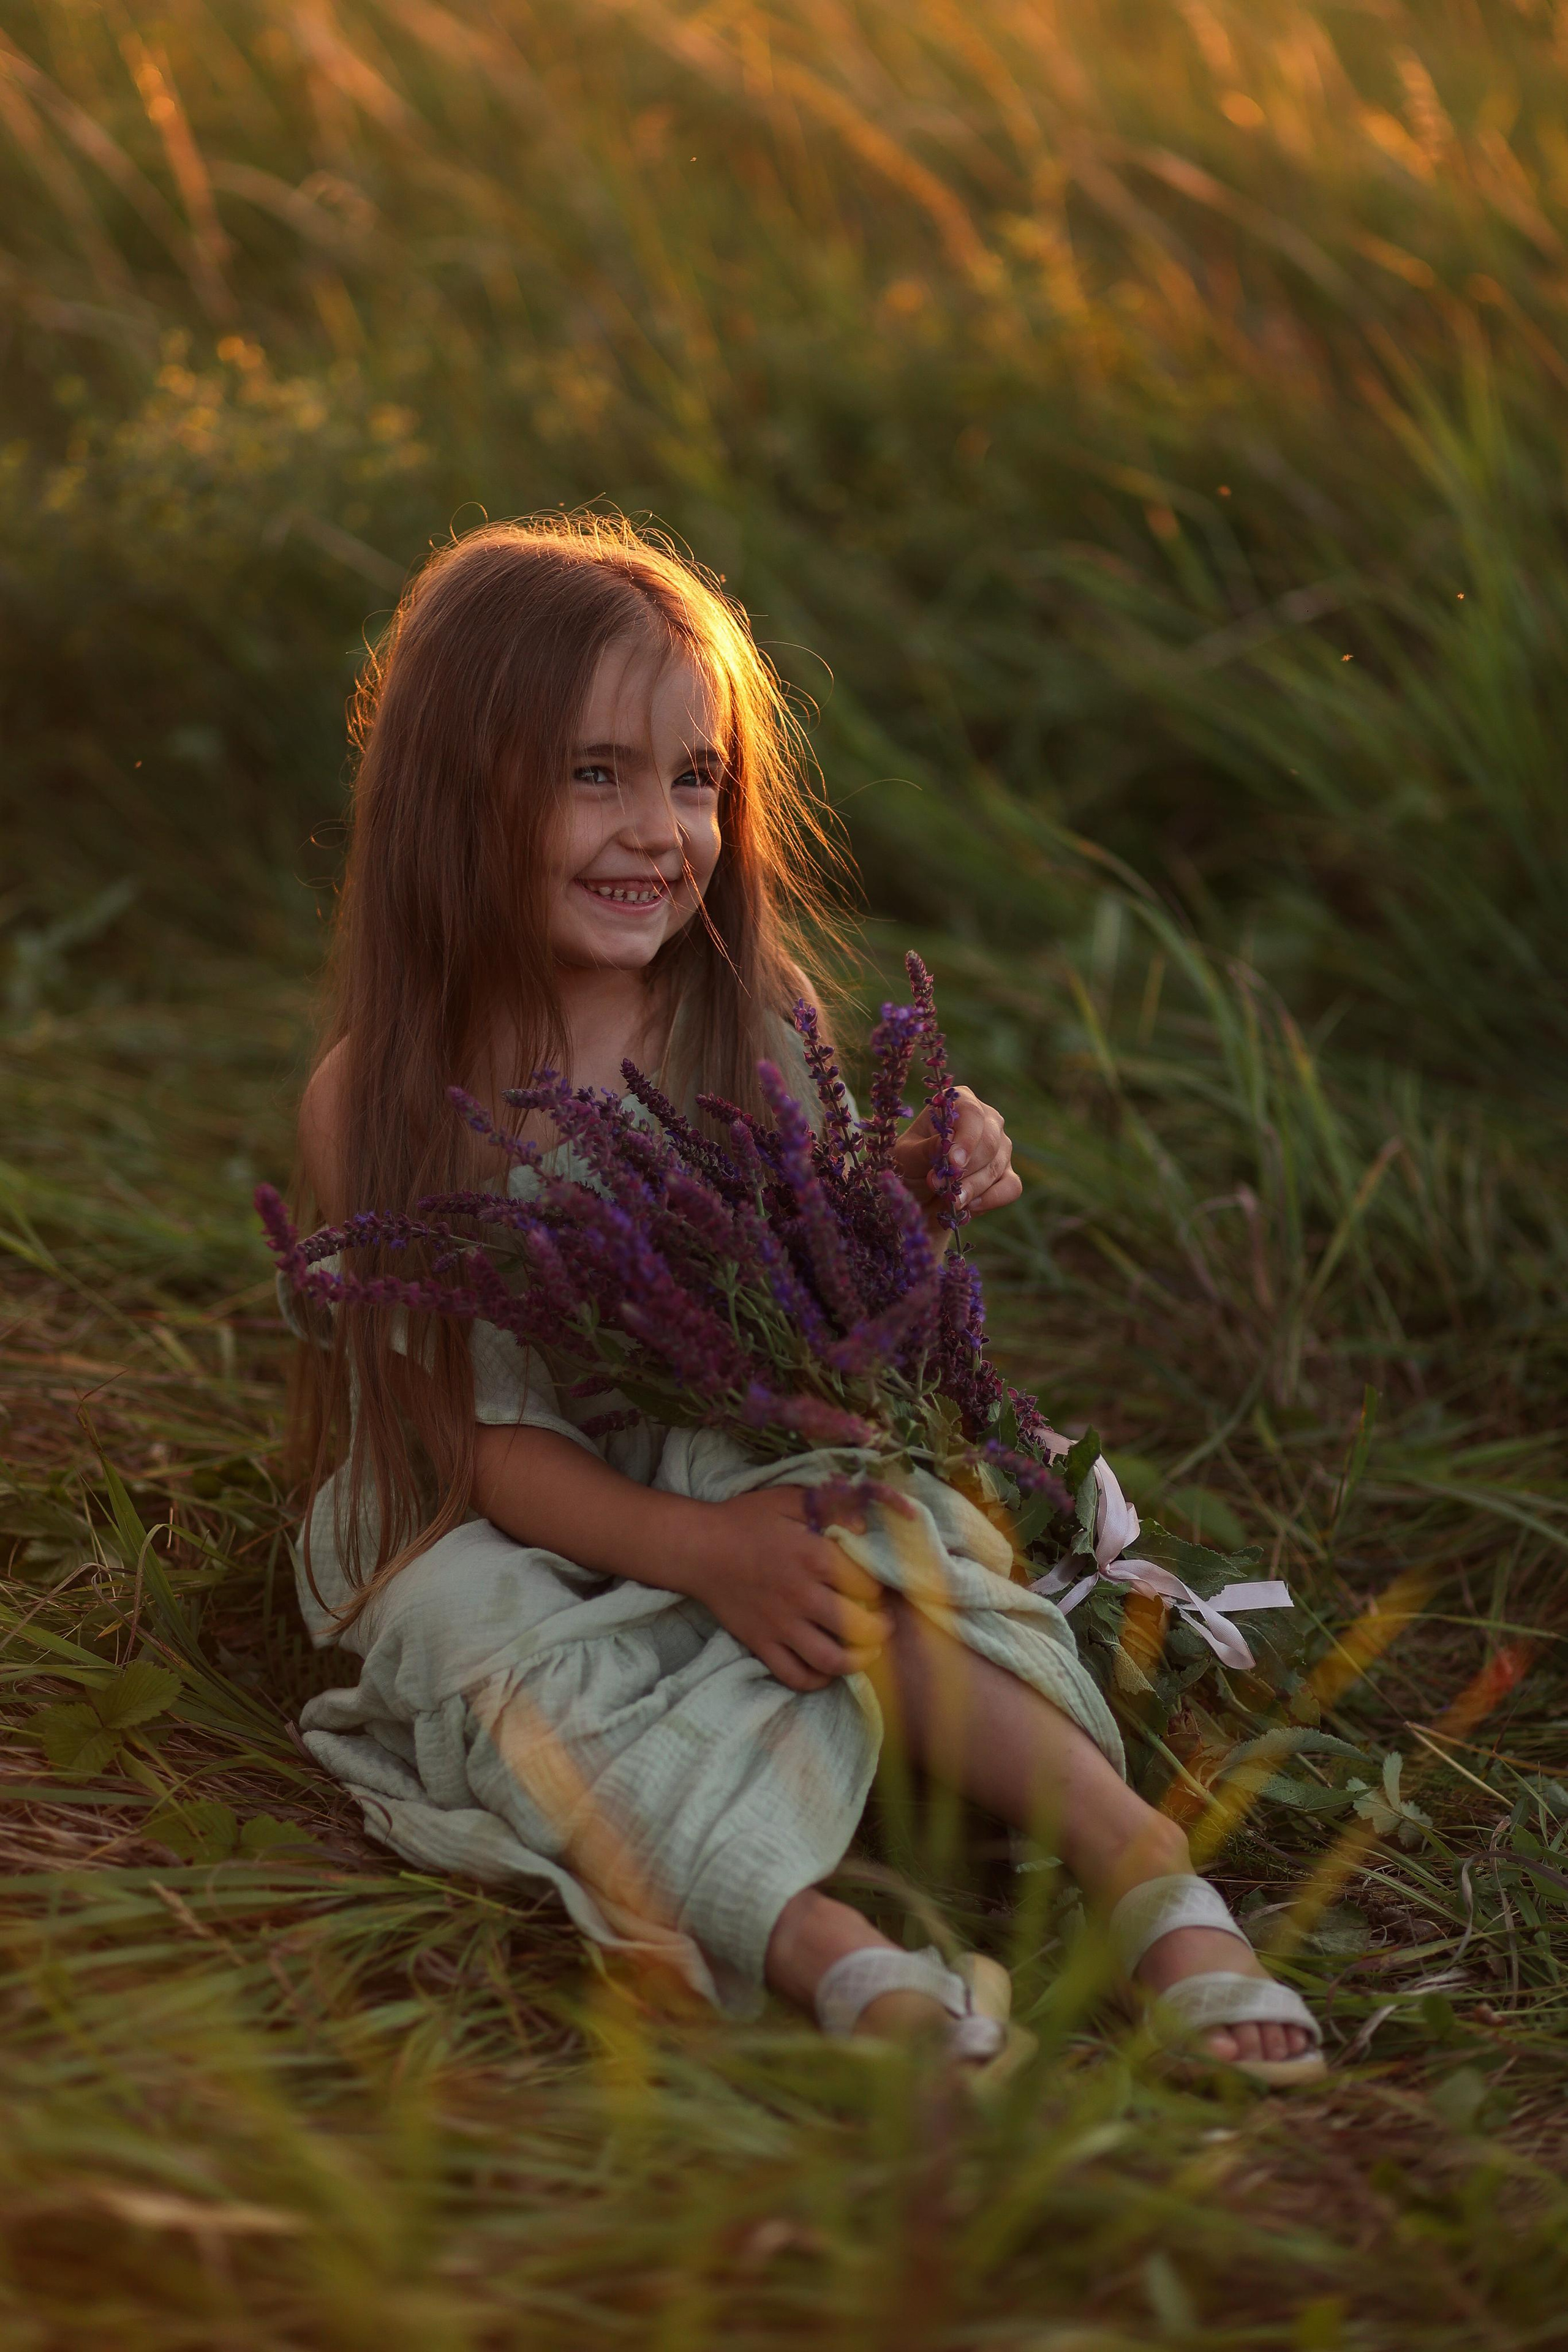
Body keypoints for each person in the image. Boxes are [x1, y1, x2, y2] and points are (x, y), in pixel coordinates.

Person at [282, 517, 1321, 2084]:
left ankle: (1140, 1867)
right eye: (592, 774)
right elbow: (467, 1433)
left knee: (857, 1529)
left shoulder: (743, 1018)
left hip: (722, 1437)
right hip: (487, 1496)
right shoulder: (380, 1101)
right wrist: (695, 1556)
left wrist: (909, 1192)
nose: (658, 830)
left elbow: (810, 1281)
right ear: (450, 789)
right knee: (471, 1640)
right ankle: (823, 1944)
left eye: (695, 778)